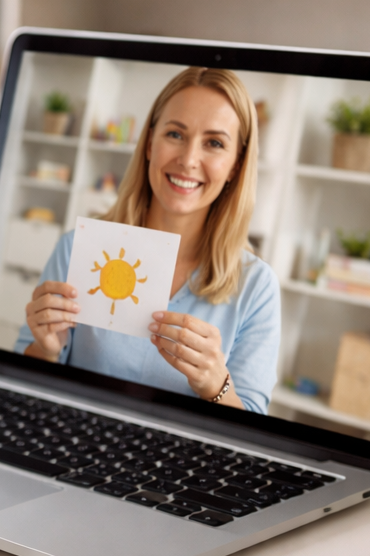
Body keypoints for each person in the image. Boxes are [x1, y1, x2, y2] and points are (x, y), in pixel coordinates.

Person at [15, 67, 280, 413]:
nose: (188, 160)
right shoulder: (78, 248)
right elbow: (21, 396)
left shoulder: (257, 287)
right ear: (150, 143)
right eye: (175, 134)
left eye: (214, 143)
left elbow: (253, 436)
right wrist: (45, 351)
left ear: (235, 165)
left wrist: (216, 385)